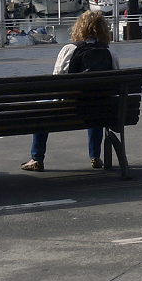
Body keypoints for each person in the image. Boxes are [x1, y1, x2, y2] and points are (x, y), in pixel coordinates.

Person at [22, 10, 119, 172]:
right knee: (97, 104)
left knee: (41, 107)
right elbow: (115, 85)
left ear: (79, 28)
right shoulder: (110, 53)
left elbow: (57, 81)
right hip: (101, 110)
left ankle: (36, 158)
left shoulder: (69, 49)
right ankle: (95, 156)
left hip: (69, 109)